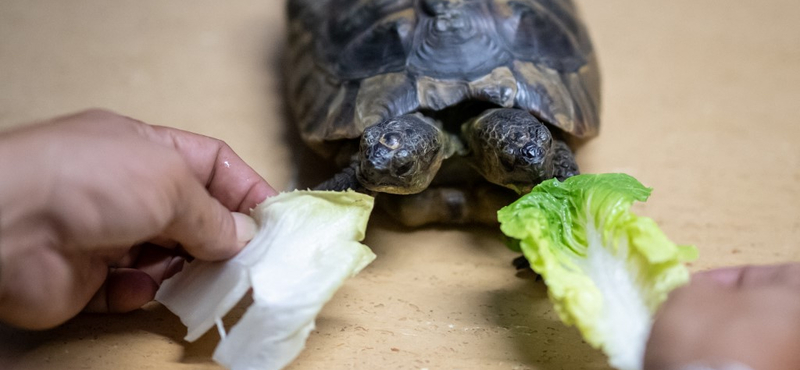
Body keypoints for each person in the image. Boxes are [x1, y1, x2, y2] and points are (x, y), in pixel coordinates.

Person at [0, 110, 797, 370]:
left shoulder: (514, 144)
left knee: (521, 153)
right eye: (378, 155)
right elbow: (375, 160)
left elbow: (536, 151)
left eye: (393, 156)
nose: (381, 165)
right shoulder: (385, 158)